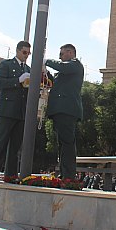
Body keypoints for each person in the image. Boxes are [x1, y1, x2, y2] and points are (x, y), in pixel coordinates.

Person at [0, 41, 31, 181]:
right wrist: (17, 80)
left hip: (21, 111)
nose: (26, 56)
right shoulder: (6, 64)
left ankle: (11, 175)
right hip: (7, 109)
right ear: (18, 51)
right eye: (24, 52)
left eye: (28, 53)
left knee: (15, 146)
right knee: (1, 141)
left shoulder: (28, 69)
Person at [45, 44, 84, 180]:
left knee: (67, 144)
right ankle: (65, 173)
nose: (60, 57)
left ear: (70, 52)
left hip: (67, 110)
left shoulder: (75, 65)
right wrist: (46, 73)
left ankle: (68, 175)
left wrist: (47, 61)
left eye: (61, 54)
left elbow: (63, 67)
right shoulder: (64, 71)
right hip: (60, 110)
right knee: (62, 144)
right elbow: (55, 83)